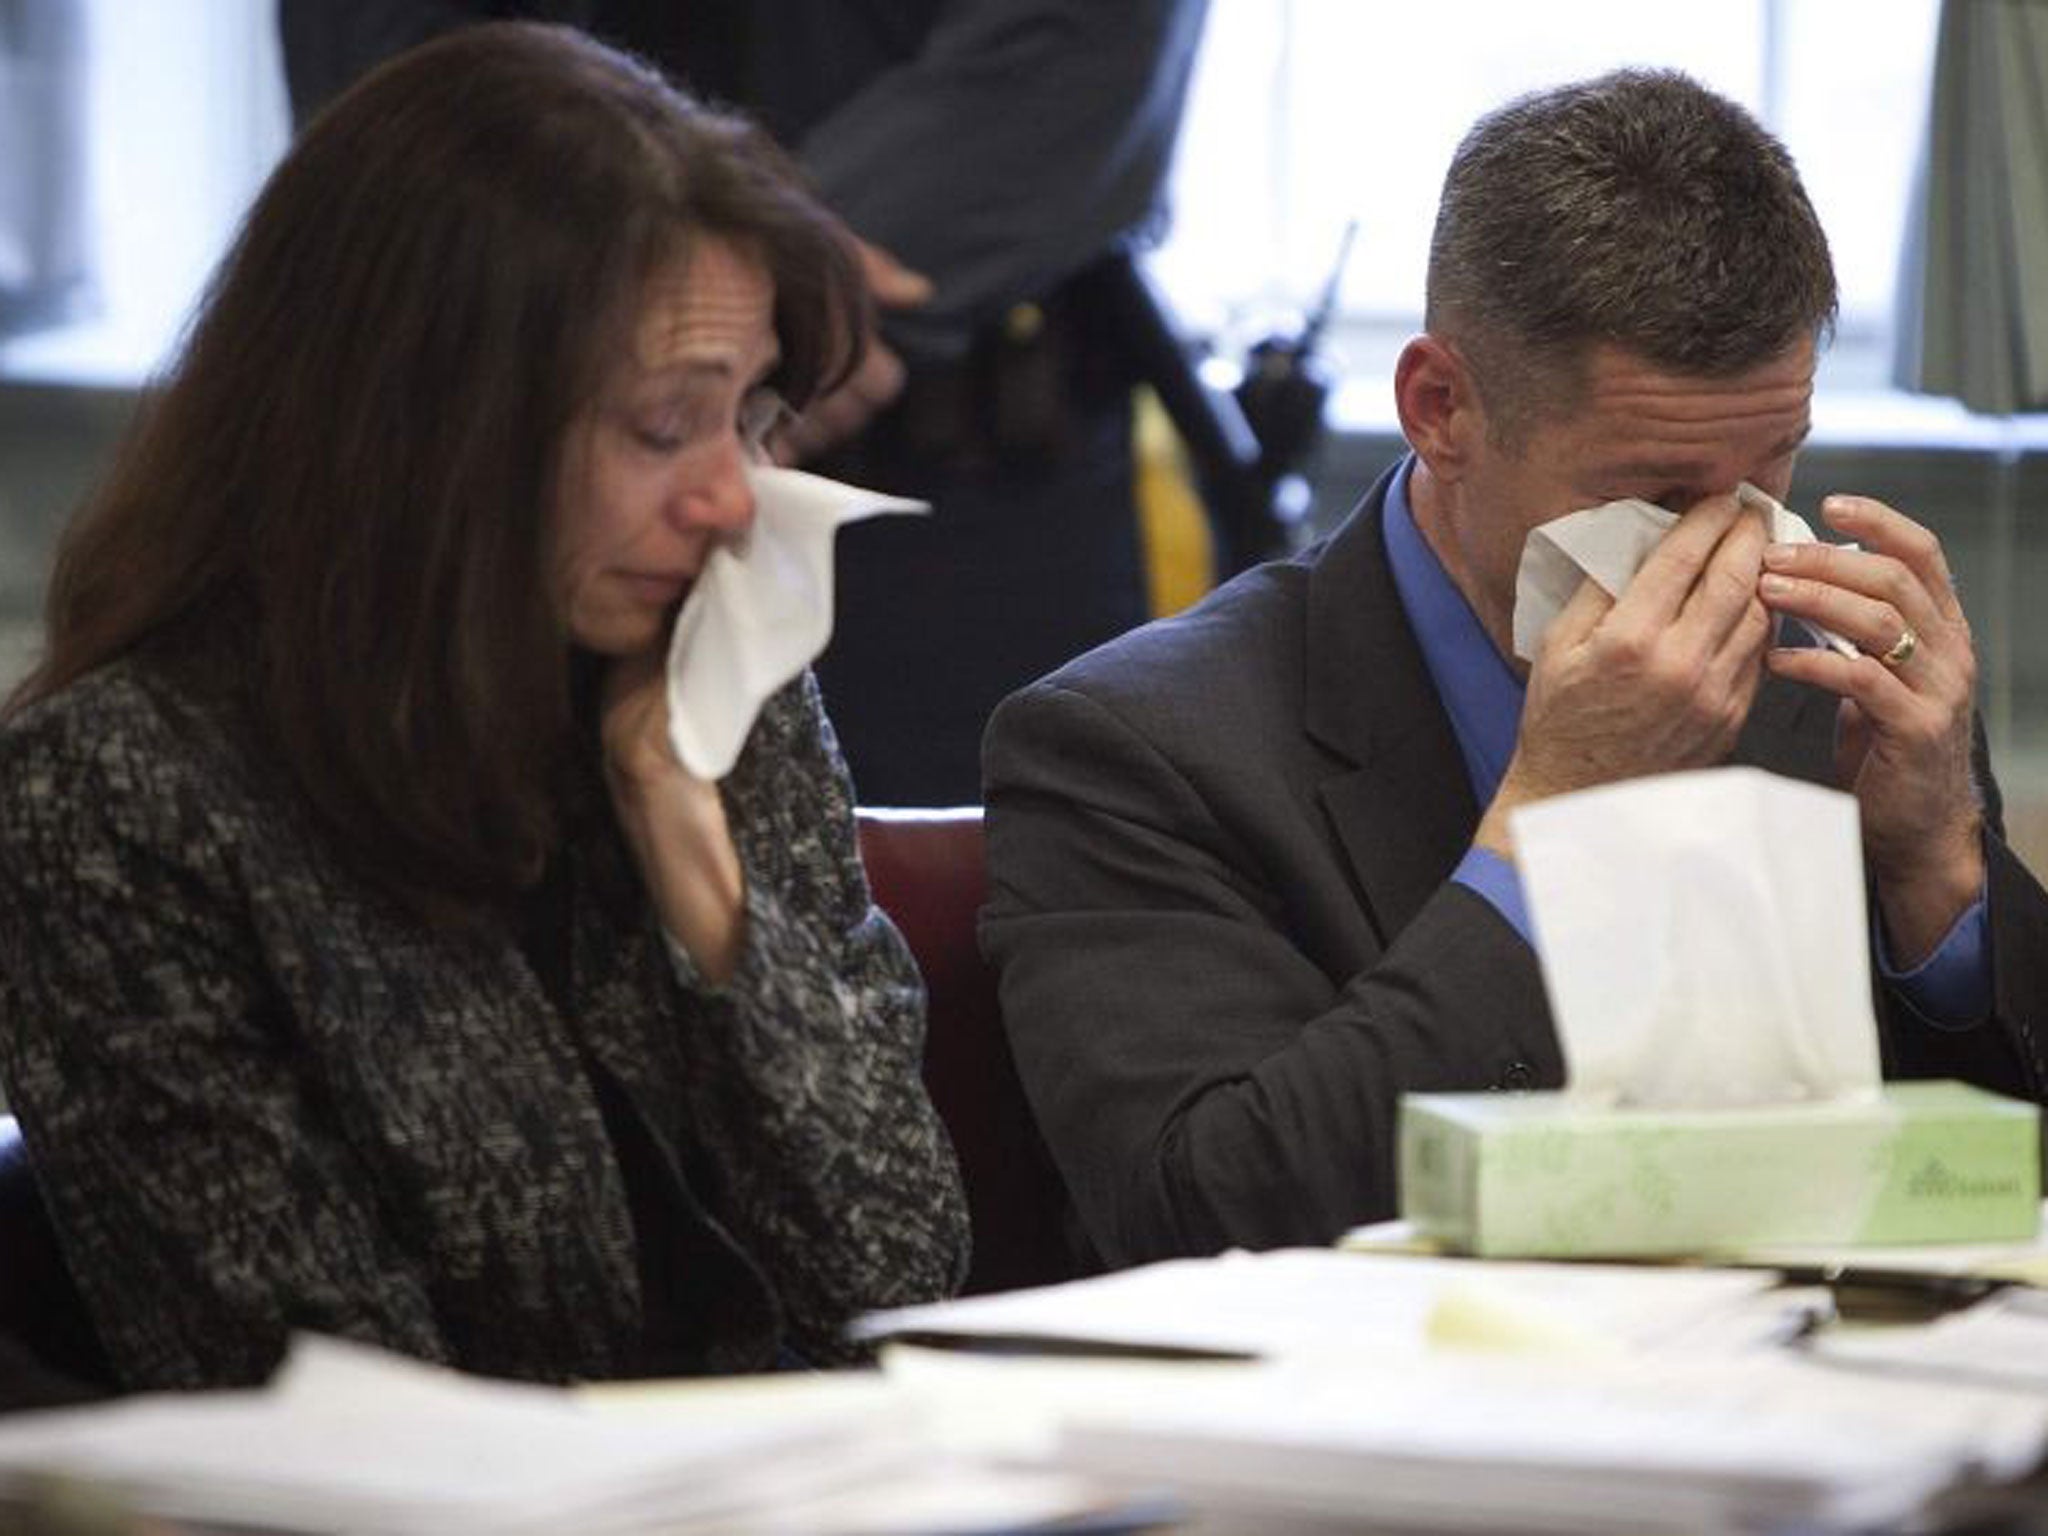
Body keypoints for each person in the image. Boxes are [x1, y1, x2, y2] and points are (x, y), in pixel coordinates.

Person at [0, 22, 967, 1394]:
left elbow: (904, 1280)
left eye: (747, 416)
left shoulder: (713, 681)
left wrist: (695, 860)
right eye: (658, 428)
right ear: (422, 422)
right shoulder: (116, 790)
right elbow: (313, 1398)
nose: (733, 500)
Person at [981, 68, 2048, 1270]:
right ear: (1439, 409)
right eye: (1651, 496)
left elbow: (1986, 1188)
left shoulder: (1821, 693)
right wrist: (1549, 818)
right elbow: (1210, 1215)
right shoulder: (1137, 747)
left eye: (1769, 471)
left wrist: (1936, 873)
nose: (1730, 547)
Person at [277, 0, 1213, 807]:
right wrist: (630, 307)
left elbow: (1080, 50)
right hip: (499, 450)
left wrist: (724, 303)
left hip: (964, 502)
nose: (730, 485)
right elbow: (384, 89)